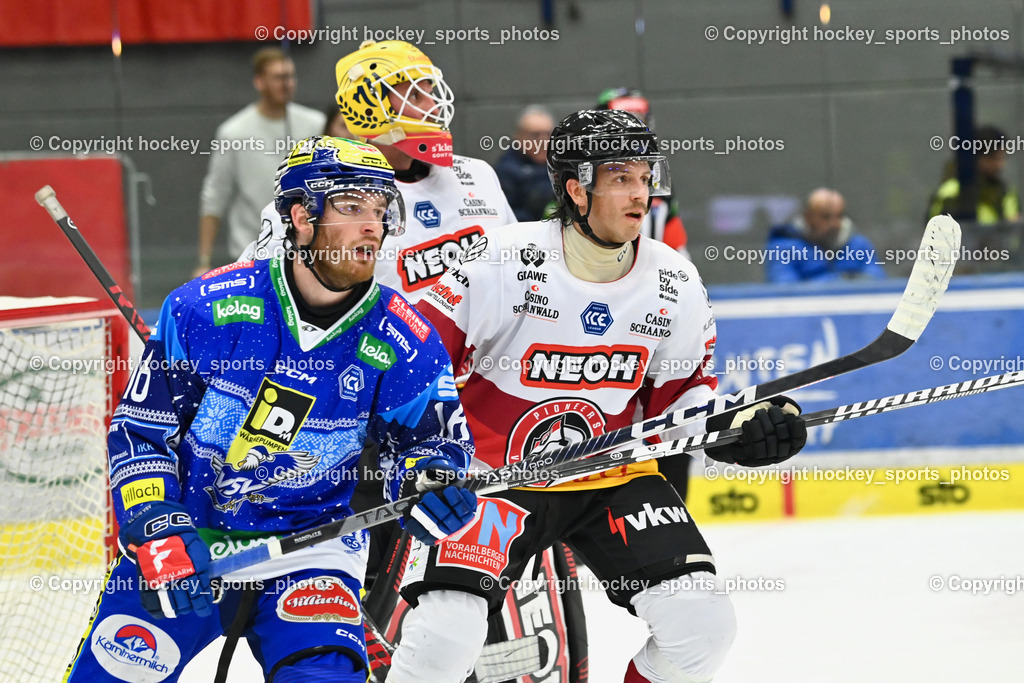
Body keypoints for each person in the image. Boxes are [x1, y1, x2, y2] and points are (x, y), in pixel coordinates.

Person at [389, 110, 808, 682]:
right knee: (446, 635)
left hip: (609, 477)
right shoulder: (499, 261)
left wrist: (734, 433)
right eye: (621, 179)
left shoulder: (674, 279)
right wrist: (423, 457)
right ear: (574, 188)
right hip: (495, 481)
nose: (641, 196)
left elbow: (680, 401)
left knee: (703, 627)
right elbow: (417, 367)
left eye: (645, 177)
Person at [65, 137, 477, 682]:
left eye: (380, 210)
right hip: (191, 538)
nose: (372, 226)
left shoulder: (404, 337)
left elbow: (431, 444)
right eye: (352, 207)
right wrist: (156, 525)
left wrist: (433, 483)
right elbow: (144, 432)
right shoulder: (203, 309)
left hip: (313, 552)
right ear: (301, 215)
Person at [242, 40, 515, 303]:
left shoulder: (479, 176)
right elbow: (260, 297)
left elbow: (516, 273)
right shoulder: (314, 196)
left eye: (431, 93)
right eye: (415, 95)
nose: (432, 108)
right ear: (371, 107)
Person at [195, 47, 325, 277]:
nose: (287, 84)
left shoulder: (316, 124)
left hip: (309, 250)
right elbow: (215, 195)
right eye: (278, 77)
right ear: (259, 82)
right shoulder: (233, 133)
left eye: (290, 76)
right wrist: (204, 261)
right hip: (252, 253)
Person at [596, 87, 689, 258]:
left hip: (648, 269)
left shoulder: (657, 173)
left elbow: (675, 243)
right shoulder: (580, 171)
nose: (632, 134)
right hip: (589, 267)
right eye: (622, 124)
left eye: (639, 122)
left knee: (657, 212)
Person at [765, 188, 885, 283]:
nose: (834, 224)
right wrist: (843, 280)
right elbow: (784, 289)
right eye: (825, 217)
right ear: (808, 217)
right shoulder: (783, 247)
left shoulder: (859, 244)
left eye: (839, 216)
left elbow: (877, 279)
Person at [928, 124, 1021, 225]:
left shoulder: (1006, 193)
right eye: (993, 158)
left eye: (1001, 158)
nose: (999, 165)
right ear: (976, 157)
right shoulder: (951, 193)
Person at [494, 105, 556, 221]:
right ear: (518, 137)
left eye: (548, 134)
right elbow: (503, 217)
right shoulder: (506, 171)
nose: (543, 140)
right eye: (535, 135)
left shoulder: (561, 162)